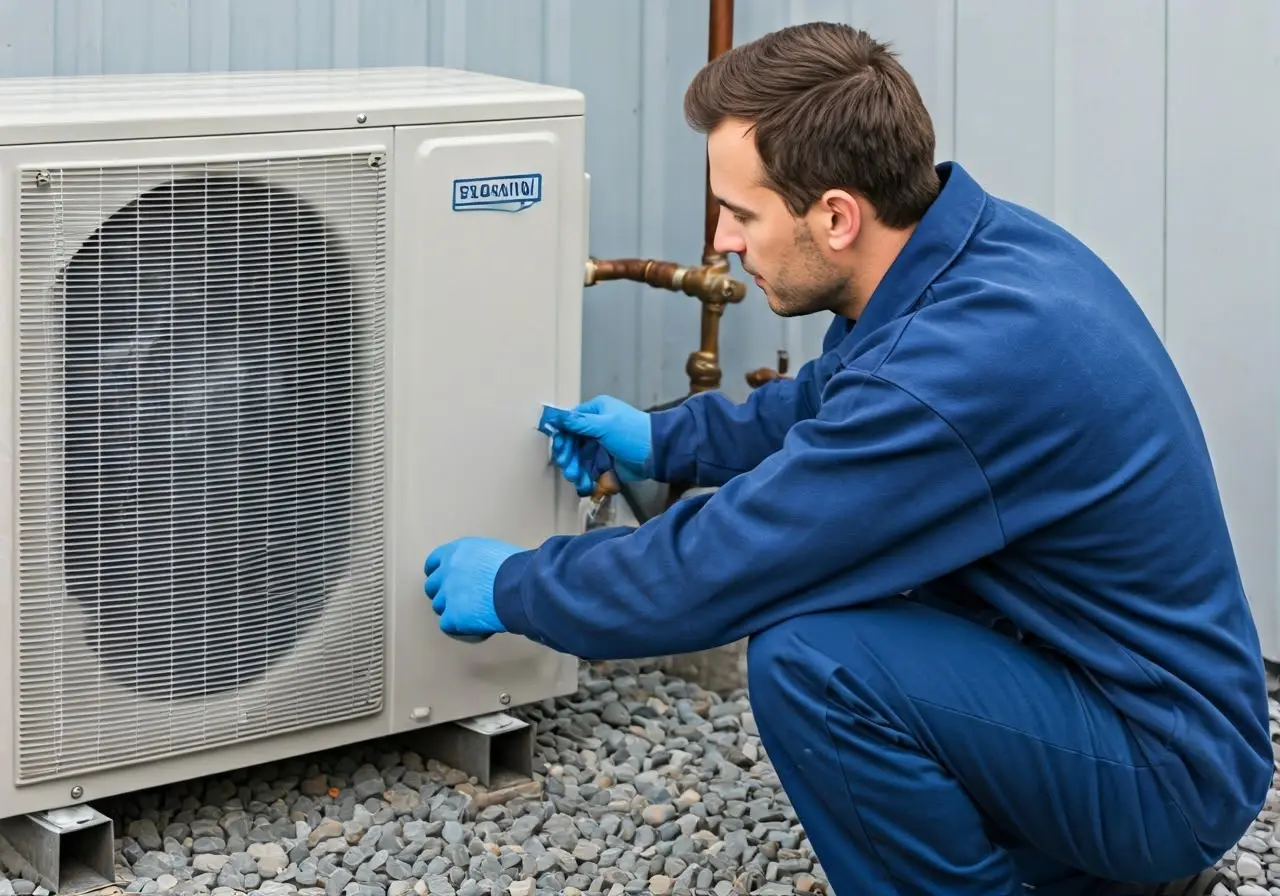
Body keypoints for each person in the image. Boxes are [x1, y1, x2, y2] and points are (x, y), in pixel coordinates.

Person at [422, 21, 1272, 896]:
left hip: (1165, 771)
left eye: (742, 213)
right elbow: (832, 401)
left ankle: (1106, 867)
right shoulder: (972, 255)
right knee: (863, 583)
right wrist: (665, 437)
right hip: (1121, 696)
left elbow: (720, 568)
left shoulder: (954, 374)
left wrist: (516, 586)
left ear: (835, 215)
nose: (722, 241)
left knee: (815, 661)